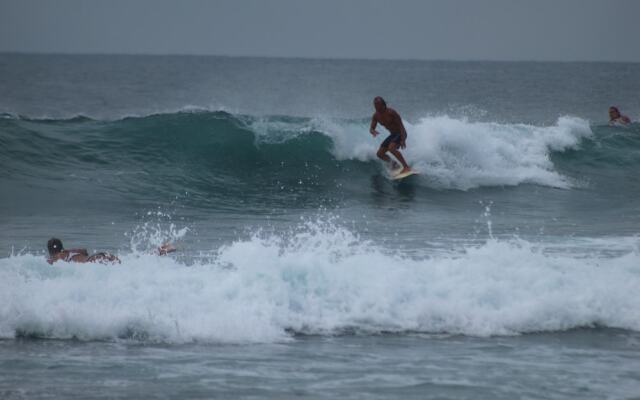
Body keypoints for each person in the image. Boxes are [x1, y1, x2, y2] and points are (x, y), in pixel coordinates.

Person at [46, 238, 176, 265]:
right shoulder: (72, 251)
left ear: (50, 251)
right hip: (101, 256)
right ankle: (163, 249)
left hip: (94, 262)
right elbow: (85, 251)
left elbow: (49, 264)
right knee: (132, 263)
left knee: (129, 266)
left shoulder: (56, 258)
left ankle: (163, 250)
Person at [370, 96, 411, 174]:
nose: (376, 107)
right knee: (380, 154)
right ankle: (395, 165)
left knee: (391, 148)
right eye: (375, 105)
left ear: (383, 105)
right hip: (393, 134)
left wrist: (403, 139)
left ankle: (406, 167)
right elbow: (371, 128)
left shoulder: (391, 112)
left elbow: (401, 125)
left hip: (401, 132)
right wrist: (373, 131)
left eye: (378, 104)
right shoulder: (376, 116)